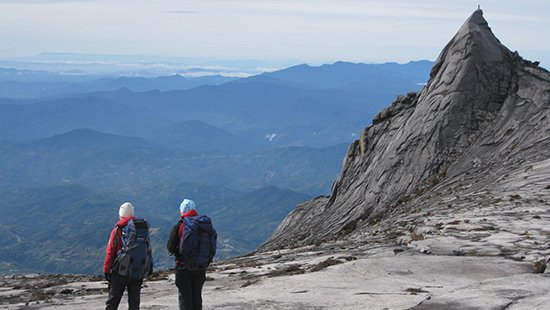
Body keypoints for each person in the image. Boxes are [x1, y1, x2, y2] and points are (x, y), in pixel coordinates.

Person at [167, 199, 216, 310]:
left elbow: (170, 246)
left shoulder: (180, 225)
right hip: (201, 266)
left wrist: (178, 254)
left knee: (185, 297)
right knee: (197, 295)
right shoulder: (204, 224)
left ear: (182, 210)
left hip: (183, 266)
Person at [104, 202, 151, 310]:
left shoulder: (119, 229)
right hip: (138, 270)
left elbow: (110, 251)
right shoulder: (141, 229)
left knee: (113, 302)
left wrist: (107, 269)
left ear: (121, 215)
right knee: (134, 303)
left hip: (120, 271)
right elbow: (148, 249)